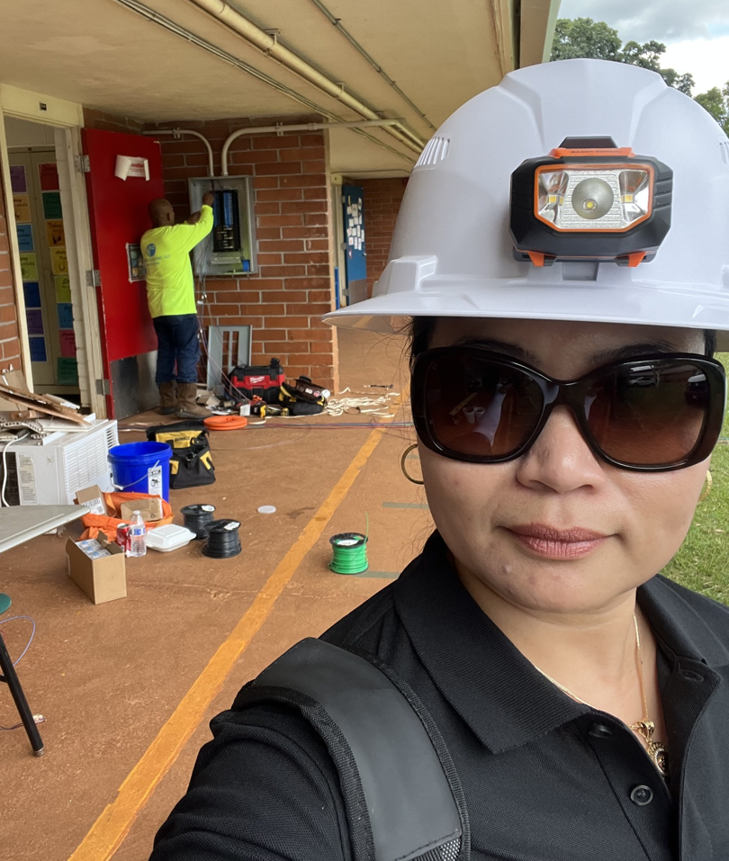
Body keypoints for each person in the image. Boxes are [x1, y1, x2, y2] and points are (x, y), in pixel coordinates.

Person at [150, 59, 729, 859]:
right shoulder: (307, 766)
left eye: (644, 398)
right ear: (418, 414)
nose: (560, 470)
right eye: (484, 392)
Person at [141, 191, 214, 419]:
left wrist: (184, 224)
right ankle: (188, 404)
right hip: (181, 309)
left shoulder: (147, 239)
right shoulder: (175, 236)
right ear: (170, 214)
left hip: (159, 310)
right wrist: (207, 207)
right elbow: (205, 226)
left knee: (166, 353)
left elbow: (172, 236)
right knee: (187, 354)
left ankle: (167, 403)